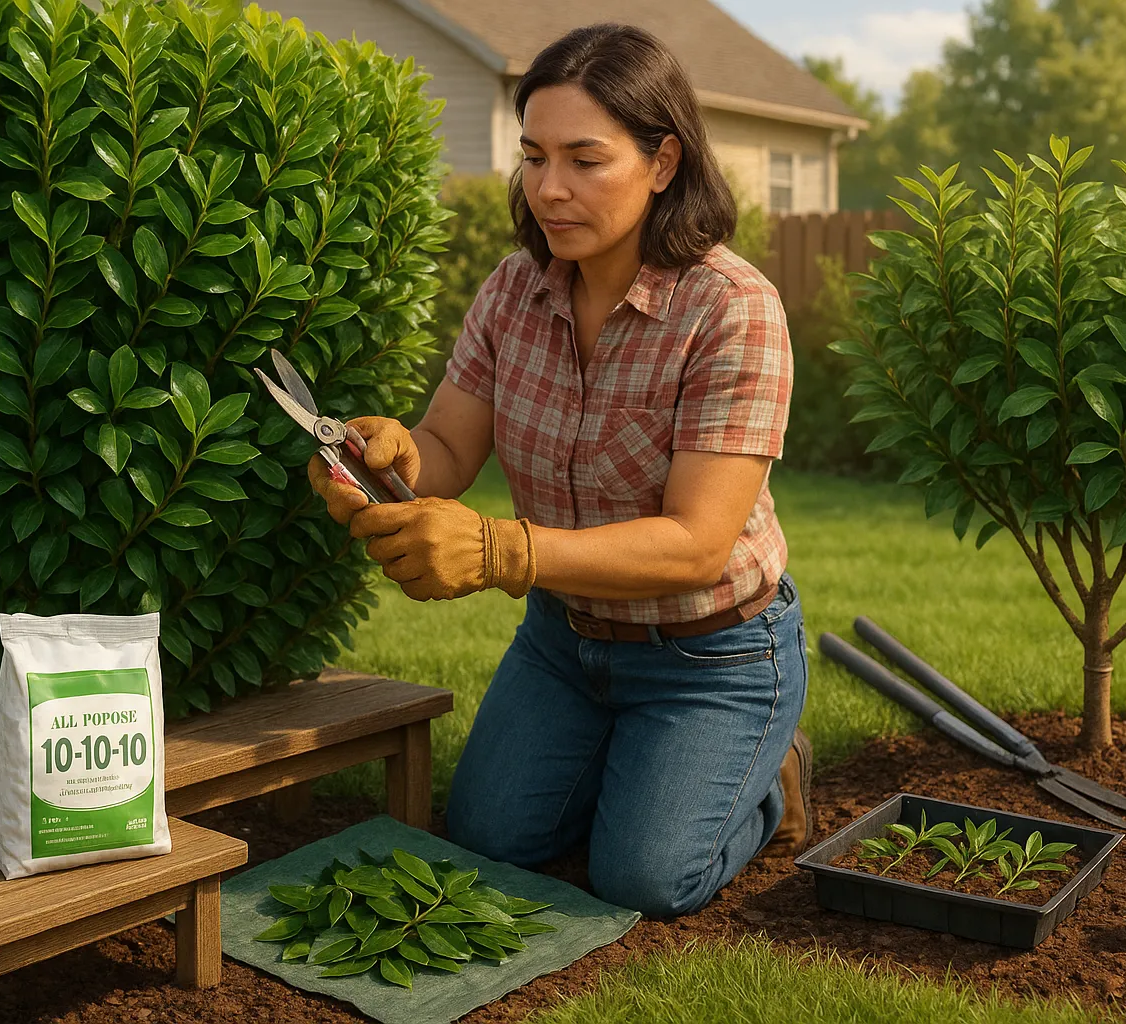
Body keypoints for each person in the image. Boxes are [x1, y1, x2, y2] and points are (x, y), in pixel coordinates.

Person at [307, 22, 811, 917]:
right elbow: (450, 452)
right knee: (490, 839)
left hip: (710, 651)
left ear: (662, 162)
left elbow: (696, 545)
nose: (548, 189)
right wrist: (387, 456)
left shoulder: (733, 310)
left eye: (585, 160)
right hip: (565, 641)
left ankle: (769, 775)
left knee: (647, 880)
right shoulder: (513, 289)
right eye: (533, 157)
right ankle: (631, 758)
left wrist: (500, 552)